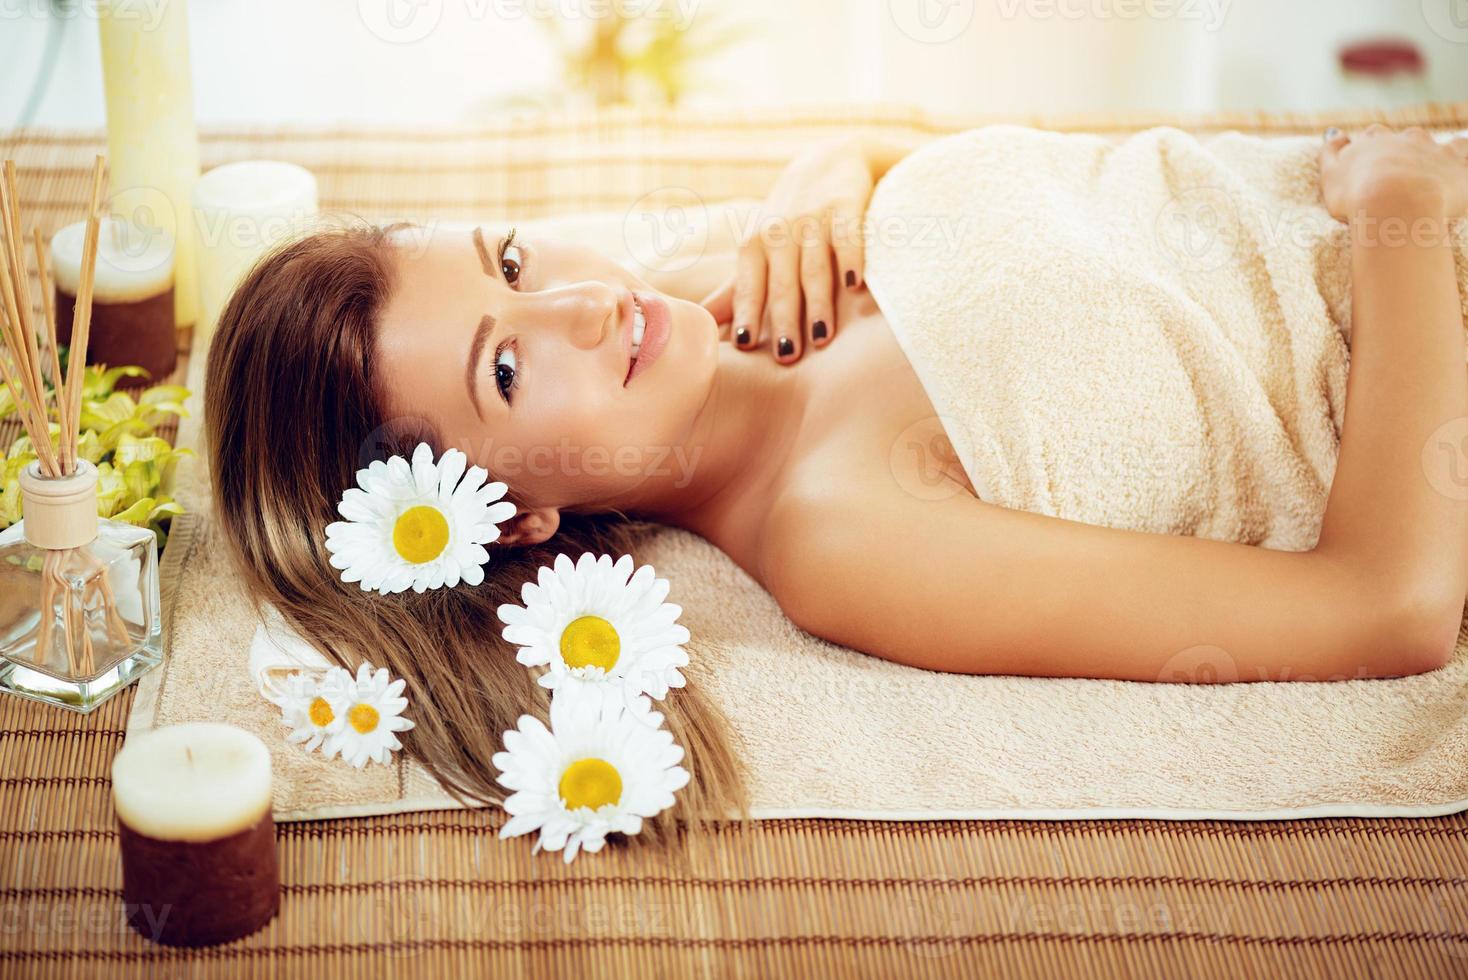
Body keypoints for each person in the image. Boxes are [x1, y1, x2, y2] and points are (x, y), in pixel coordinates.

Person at [206, 125, 1468, 810]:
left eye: (516, 259)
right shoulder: (844, 533)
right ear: (520, 517)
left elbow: (951, 170)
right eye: (508, 372)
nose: (588, 304)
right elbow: (1386, 602)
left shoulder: (714, 290)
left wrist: (826, 167)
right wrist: (1399, 208)